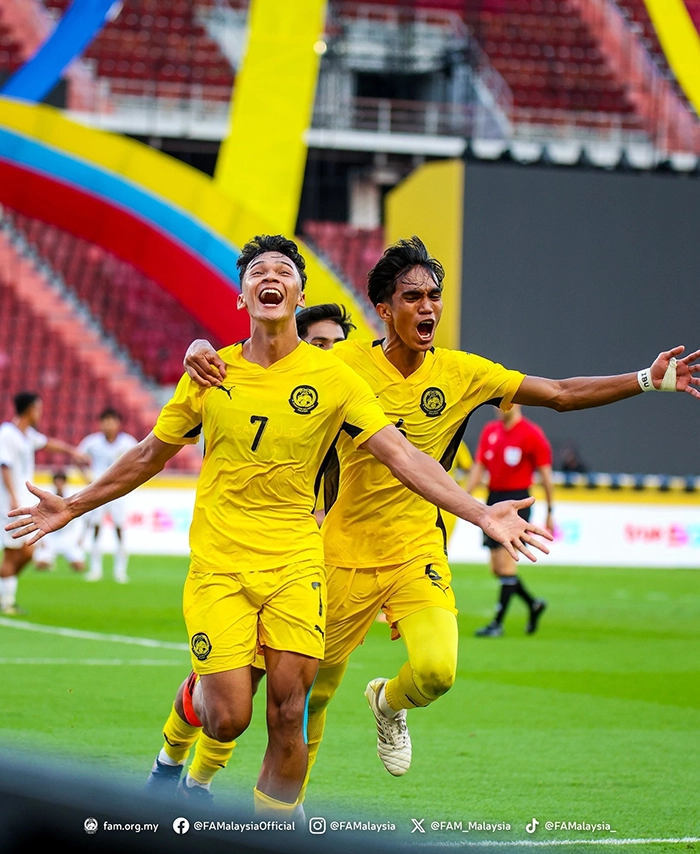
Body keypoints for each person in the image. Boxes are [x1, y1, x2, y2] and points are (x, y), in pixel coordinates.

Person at [6, 235, 547, 818]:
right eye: (257, 271)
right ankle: (175, 762)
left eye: (283, 270)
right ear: (242, 295)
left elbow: (403, 455)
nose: (270, 277)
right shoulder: (211, 373)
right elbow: (148, 455)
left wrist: (479, 510)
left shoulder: (336, 378)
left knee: (291, 712)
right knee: (229, 715)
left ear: (298, 292)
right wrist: (73, 504)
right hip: (220, 564)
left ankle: (268, 834)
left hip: (296, 565)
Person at [181, 235, 699, 802]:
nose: (427, 307)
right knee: (305, 701)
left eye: (434, 296)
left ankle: (387, 702)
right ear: (384, 310)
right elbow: (272, 360)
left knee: (437, 672)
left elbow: (559, 393)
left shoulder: (463, 373)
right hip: (338, 554)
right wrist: (201, 349)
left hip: (417, 552)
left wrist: (647, 380)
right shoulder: (343, 366)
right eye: (412, 296)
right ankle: (278, 808)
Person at [466, 405, 554, 637]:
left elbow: (546, 474)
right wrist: (463, 496)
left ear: (518, 404)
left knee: (506, 566)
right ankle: (534, 604)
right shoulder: (490, 431)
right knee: (497, 568)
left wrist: (550, 510)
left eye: (505, 403)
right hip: (493, 501)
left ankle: (497, 624)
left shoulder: (531, 434)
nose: (499, 408)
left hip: (517, 502)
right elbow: (479, 467)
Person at [0, 392, 87, 614]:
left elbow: (48, 443)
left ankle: (6, 593)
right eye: (38, 408)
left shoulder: (27, 435)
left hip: (23, 501)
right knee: (14, 553)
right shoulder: (7, 434)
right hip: (10, 503)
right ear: (29, 409)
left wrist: (72, 451)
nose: (40, 413)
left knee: (28, 552)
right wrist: (11, 497)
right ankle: (6, 601)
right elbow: (4, 466)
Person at [78, 409, 138, 583]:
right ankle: (95, 569)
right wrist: (87, 479)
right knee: (96, 528)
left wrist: (128, 481)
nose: (108, 425)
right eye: (105, 421)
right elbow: (78, 458)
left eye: (111, 421)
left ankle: (120, 570)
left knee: (119, 528)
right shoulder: (93, 442)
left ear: (118, 423)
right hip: (97, 490)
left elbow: (139, 461)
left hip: (118, 491)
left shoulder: (127, 442)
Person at [33, 471, 87, 573]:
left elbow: (81, 520)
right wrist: (41, 539)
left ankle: (64, 560)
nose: (59, 484)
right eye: (57, 482)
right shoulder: (46, 498)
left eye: (61, 482)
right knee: (40, 565)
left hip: (69, 537)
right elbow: (40, 519)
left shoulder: (73, 497)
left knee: (79, 567)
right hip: (51, 536)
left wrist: (80, 537)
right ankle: (50, 562)